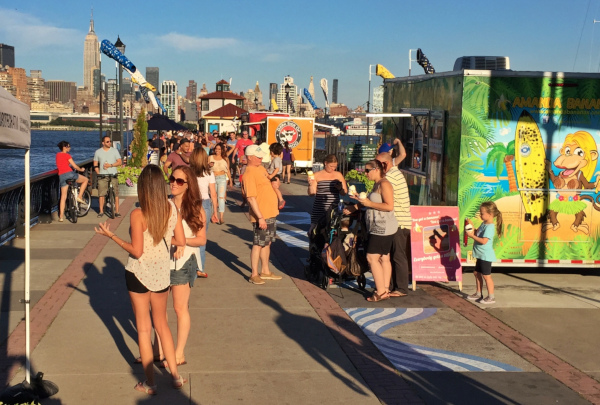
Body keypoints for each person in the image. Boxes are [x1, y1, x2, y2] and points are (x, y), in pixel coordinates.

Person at [94, 164, 187, 395]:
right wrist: (161, 241)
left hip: (138, 274)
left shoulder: (138, 214)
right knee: (162, 325)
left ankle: (150, 383)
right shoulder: (171, 208)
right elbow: (179, 239)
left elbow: (136, 251)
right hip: (162, 274)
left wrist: (111, 235)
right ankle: (175, 377)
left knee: (144, 330)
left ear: (143, 187)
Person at [168, 166, 207, 365]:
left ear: (188, 184)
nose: (174, 183)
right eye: (172, 178)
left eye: (180, 181)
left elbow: (201, 240)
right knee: (156, 309)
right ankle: (160, 350)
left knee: (179, 307)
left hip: (184, 262)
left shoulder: (195, 208)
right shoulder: (164, 205)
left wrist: (182, 242)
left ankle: (179, 353)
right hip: (162, 261)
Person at [347, 160, 397, 302]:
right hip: (377, 225)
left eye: (368, 170)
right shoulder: (377, 184)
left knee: (371, 257)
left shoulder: (384, 184)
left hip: (383, 227)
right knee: (384, 257)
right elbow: (371, 202)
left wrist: (369, 203)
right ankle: (385, 288)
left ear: (376, 169)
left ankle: (381, 292)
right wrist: (359, 199)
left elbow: (389, 206)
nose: (366, 173)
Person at [242, 144, 283, 285]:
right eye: (258, 157)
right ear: (250, 157)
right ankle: (254, 273)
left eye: (261, 156)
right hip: (262, 215)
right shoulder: (248, 174)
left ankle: (265, 270)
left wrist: (276, 182)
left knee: (267, 242)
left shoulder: (260, 168)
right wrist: (260, 217)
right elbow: (251, 198)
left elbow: (271, 178)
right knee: (258, 243)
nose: (261, 159)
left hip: (270, 212)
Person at [376, 150, 412, 297]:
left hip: (399, 221)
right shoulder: (394, 173)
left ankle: (402, 288)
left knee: (398, 255)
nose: (377, 168)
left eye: (378, 165)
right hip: (395, 221)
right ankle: (390, 285)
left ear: (386, 164)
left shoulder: (391, 177)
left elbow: (380, 195)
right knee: (389, 255)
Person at [465, 201, 503, 304]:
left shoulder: (490, 227)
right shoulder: (484, 224)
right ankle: (478, 293)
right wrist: (472, 228)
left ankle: (491, 297)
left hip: (485, 255)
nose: (480, 215)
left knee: (486, 276)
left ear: (490, 214)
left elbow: (484, 241)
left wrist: (472, 236)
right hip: (480, 254)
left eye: (482, 213)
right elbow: (478, 233)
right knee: (476, 273)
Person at [189, 148, 219, 277]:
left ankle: (189, 268)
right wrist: (215, 212)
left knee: (189, 236)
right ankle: (200, 268)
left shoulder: (188, 172)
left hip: (191, 203)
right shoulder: (209, 173)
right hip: (205, 204)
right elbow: (213, 194)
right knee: (201, 238)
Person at [307, 154, 347, 233]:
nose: (333, 169)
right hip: (319, 208)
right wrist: (311, 184)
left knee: (332, 231)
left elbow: (344, 193)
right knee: (314, 231)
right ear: (325, 163)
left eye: (335, 166)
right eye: (331, 166)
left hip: (334, 209)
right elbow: (312, 193)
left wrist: (340, 188)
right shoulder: (317, 175)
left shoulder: (338, 175)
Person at [55, 141, 89, 222]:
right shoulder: (67, 155)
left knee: (63, 196)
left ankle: (61, 217)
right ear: (64, 147)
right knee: (85, 180)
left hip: (61, 176)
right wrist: (81, 169)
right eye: (68, 146)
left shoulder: (57, 155)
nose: (69, 148)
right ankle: (79, 196)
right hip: (69, 174)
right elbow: (75, 166)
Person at [94, 135, 122, 218]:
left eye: (110, 141)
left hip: (113, 174)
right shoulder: (98, 152)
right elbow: (95, 164)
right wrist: (98, 172)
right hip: (103, 175)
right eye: (107, 142)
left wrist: (111, 165)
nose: (109, 143)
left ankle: (117, 211)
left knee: (116, 193)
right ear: (103, 143)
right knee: (101, 194)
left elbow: (119, 162)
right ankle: (101, 211)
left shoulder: (114, 151)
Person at [208, 143, 230, 224]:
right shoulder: (210, 157)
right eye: (216, 149)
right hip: (212, 178)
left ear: (222, 150)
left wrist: (230, 181)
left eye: (219, 149)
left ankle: (221, 217)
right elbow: (206, 168)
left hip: (222, 178)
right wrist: (209, 165)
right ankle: (214, 215)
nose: (217, 151)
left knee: (221, 197)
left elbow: (227, 170)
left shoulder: (225, 158)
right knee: (213, 197)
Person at [267, 142, 285, 210]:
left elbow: (277, 169)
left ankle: (281, 200)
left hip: (274, 175)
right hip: (274, 174)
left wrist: (271, 176)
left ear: (272, 152)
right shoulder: (278, 159)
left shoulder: (276, 159)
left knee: (275, 188)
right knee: (273, 188)